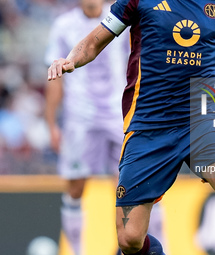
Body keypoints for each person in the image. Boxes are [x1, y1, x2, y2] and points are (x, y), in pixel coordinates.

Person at [48, 0, 215, 254]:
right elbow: (94, 41)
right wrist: (70, 60)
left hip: (202, 120)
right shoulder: (137, 1)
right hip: (148, 124)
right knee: (129, 240)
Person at [44, 0, 128, 254]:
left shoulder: (122, 16)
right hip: (81, 117)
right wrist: (51, 123)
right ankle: (77, 250)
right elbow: (54, 76)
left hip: (118, 114)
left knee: (130, 185)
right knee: (76, 187)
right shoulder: (63, 25)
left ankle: (128, 246)